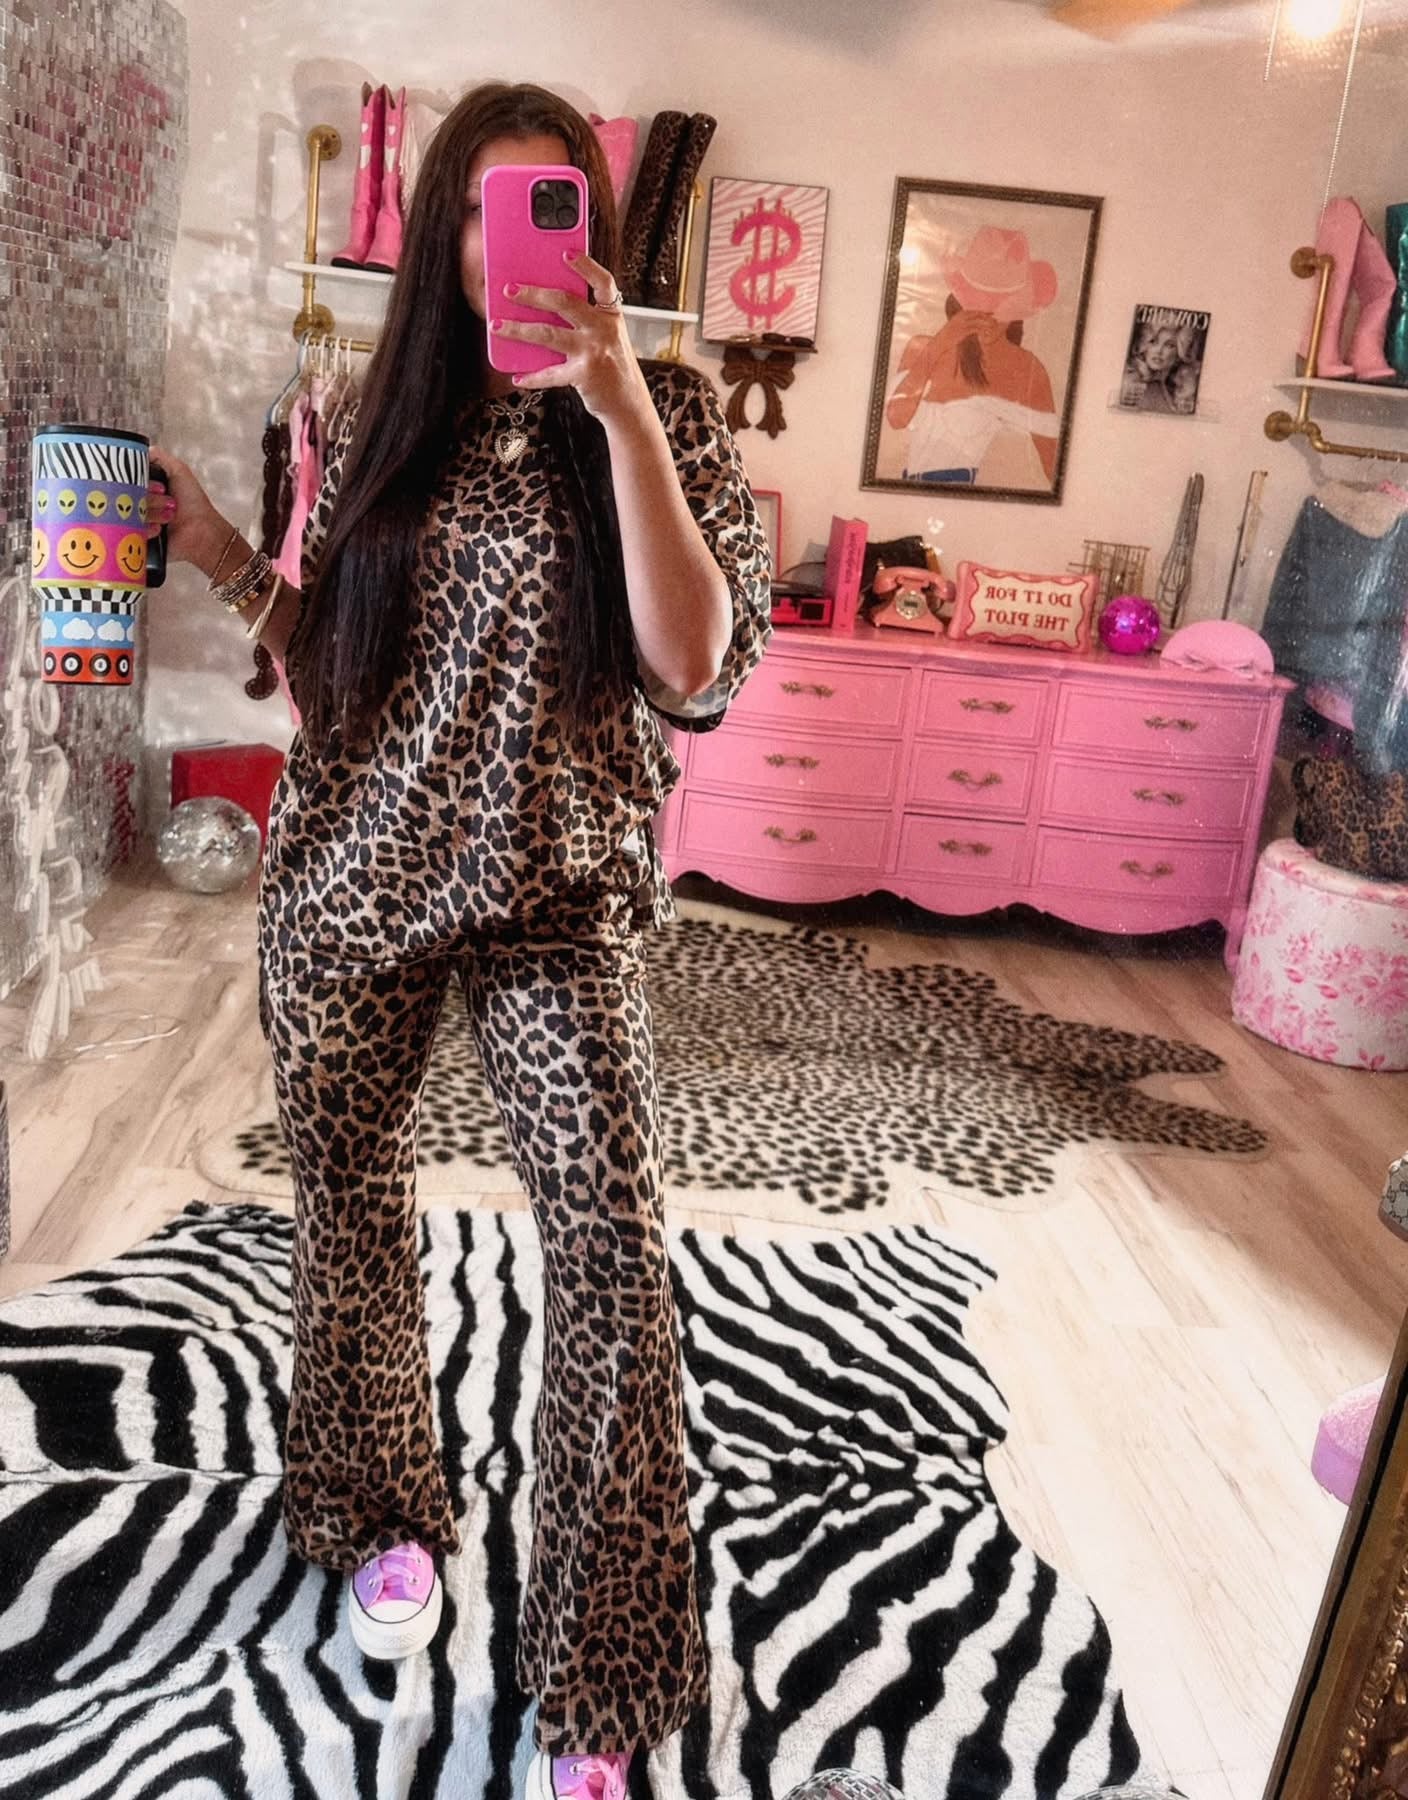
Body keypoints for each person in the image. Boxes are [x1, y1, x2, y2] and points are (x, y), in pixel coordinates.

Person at [152, 79, 772, 1800]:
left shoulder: (668, 410)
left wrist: (621, 407)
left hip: (557, 899)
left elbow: (692, 671)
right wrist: (216, 549)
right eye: (492, 217)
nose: (520, 255)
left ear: (588, 229)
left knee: (612, 1253)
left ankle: (601, 1672)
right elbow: (340, 674)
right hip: (357, 880)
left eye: (550, 211)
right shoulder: (374, 415)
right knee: (350, 1211)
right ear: (444, 236)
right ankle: (378, 1516)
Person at [885, 224, 1060, 488]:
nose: (989, 318)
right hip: (906, 494)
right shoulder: (923, 348)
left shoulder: (1025, 368)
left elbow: (1053, 464)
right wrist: (941, 343)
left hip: (967, 500)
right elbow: (897, 419)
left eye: (1000, 307)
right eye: (981, 304)